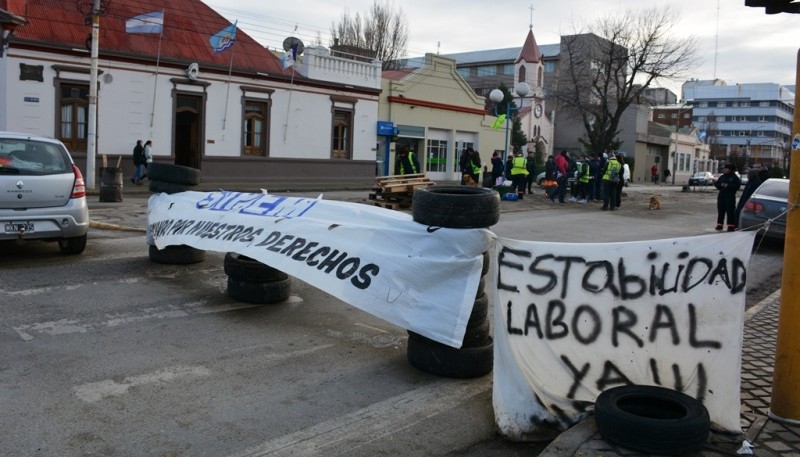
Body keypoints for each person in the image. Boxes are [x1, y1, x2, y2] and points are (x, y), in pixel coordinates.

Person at [714, 162, 742, 231]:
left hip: (730, 196)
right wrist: (721, 185)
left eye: (726, 169)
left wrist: (728, 186)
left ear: (730, 169)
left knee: (730, 211)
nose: (724, 170)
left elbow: (737, 186)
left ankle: (731, 226)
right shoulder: (722, 176)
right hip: (722, 196)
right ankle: (719, 225)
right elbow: (717, 184)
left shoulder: (734, 177)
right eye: (724, 168)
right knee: (721, 210)